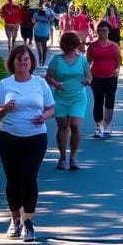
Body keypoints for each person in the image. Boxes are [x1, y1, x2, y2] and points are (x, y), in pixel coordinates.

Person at [0, 45, 55, 242]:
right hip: (9, 136)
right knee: (13, 179)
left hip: (35, 137)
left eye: (26, 59)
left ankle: (28, 221)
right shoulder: (4, 84)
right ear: (13, 63)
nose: (23, 63)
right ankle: (14, 219)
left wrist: (44, 116)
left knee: (29, 176)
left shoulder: (40, 83)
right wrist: (5, 108)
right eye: (19, 60)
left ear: (31, 62)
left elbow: (51, 108)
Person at [46, 32, 92, 170]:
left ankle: (72, 157)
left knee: (75, 125)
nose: (71, 49)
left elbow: (89, 76)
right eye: (69, 46)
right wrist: (56, 84)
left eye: (73, 46)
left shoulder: (82, 60)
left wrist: (87, 81)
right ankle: (62, 157)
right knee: (62, 126)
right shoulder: (56, 60)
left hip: (78, 96)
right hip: (61, 97)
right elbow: (48, 77)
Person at [87, 20, 122, 138]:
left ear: (108, 31)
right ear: (97, 32)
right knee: (98, 100)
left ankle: (107, 125)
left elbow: (119, 61)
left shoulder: (114, 46)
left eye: (105, 30)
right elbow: (87, 62)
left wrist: (117, 69)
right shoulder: (92, 46)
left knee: (110, 100)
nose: (102, 32)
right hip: (96, 77)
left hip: (111, 77)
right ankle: (98, 126)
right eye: (100, 30)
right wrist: (87, 75)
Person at [32, 0, 53, 67]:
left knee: (39, 48)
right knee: (44, 48)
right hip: (45, 33)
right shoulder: (48, 16)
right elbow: (52, 19)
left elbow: (34, 22)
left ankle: (40, 61)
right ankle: (43, 63)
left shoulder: (35, 15)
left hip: (37, 32)